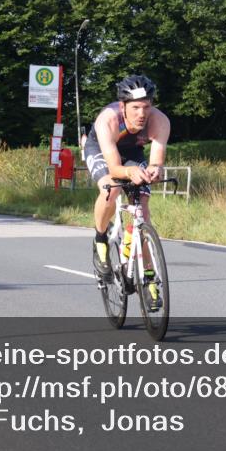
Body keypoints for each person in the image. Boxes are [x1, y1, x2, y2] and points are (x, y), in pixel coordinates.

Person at [81, 75, 170, 306]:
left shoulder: (160, 121)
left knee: (142, 205)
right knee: (110, 189)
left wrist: (154, 170)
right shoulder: (108, 120)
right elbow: (114, 167)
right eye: (136, 108)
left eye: (147, 107)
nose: (142, 114)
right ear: (123, 106)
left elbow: (156, 160)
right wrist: (130, 173)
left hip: (133, 152)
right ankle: (100, 238)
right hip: (102, 149)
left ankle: (149, 278)